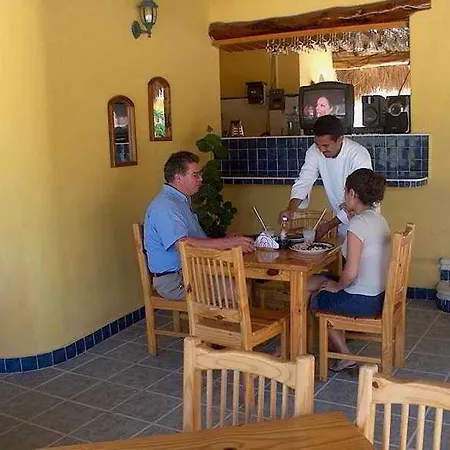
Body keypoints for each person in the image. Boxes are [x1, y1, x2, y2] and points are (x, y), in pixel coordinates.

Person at [308, 169, 391, 372]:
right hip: (381, 295)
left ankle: (344, 355)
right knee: (311, 282)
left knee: (315, 300)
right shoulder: (378, 220)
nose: (344, 196)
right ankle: (300, 341)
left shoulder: (357, 224)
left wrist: (337, 286)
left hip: (363, 300)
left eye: (345, 192)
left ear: (352, 193)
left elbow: (351, 272)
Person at [144, 151, 254, 300]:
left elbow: (194, 238)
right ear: (178, 177)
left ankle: (224, 314)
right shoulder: (166, 206)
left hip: (194, 271)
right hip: (176, 280)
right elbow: (184, 244)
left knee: (244, 279)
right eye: (195, 174)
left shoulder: (180, 200)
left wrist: (226, 239)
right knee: (240, 289)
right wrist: (228, 243)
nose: (200, 179)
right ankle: (217, 315)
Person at [279, 115, 373, 240]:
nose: (321, 150)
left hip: (364, 221)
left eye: (326, 146)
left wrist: (328, 225)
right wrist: (290, 210)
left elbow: (360, 198)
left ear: (340, 139)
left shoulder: (358, 155)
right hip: (342, 221)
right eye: (317, 144)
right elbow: (304, 182)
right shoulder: (314, 151)